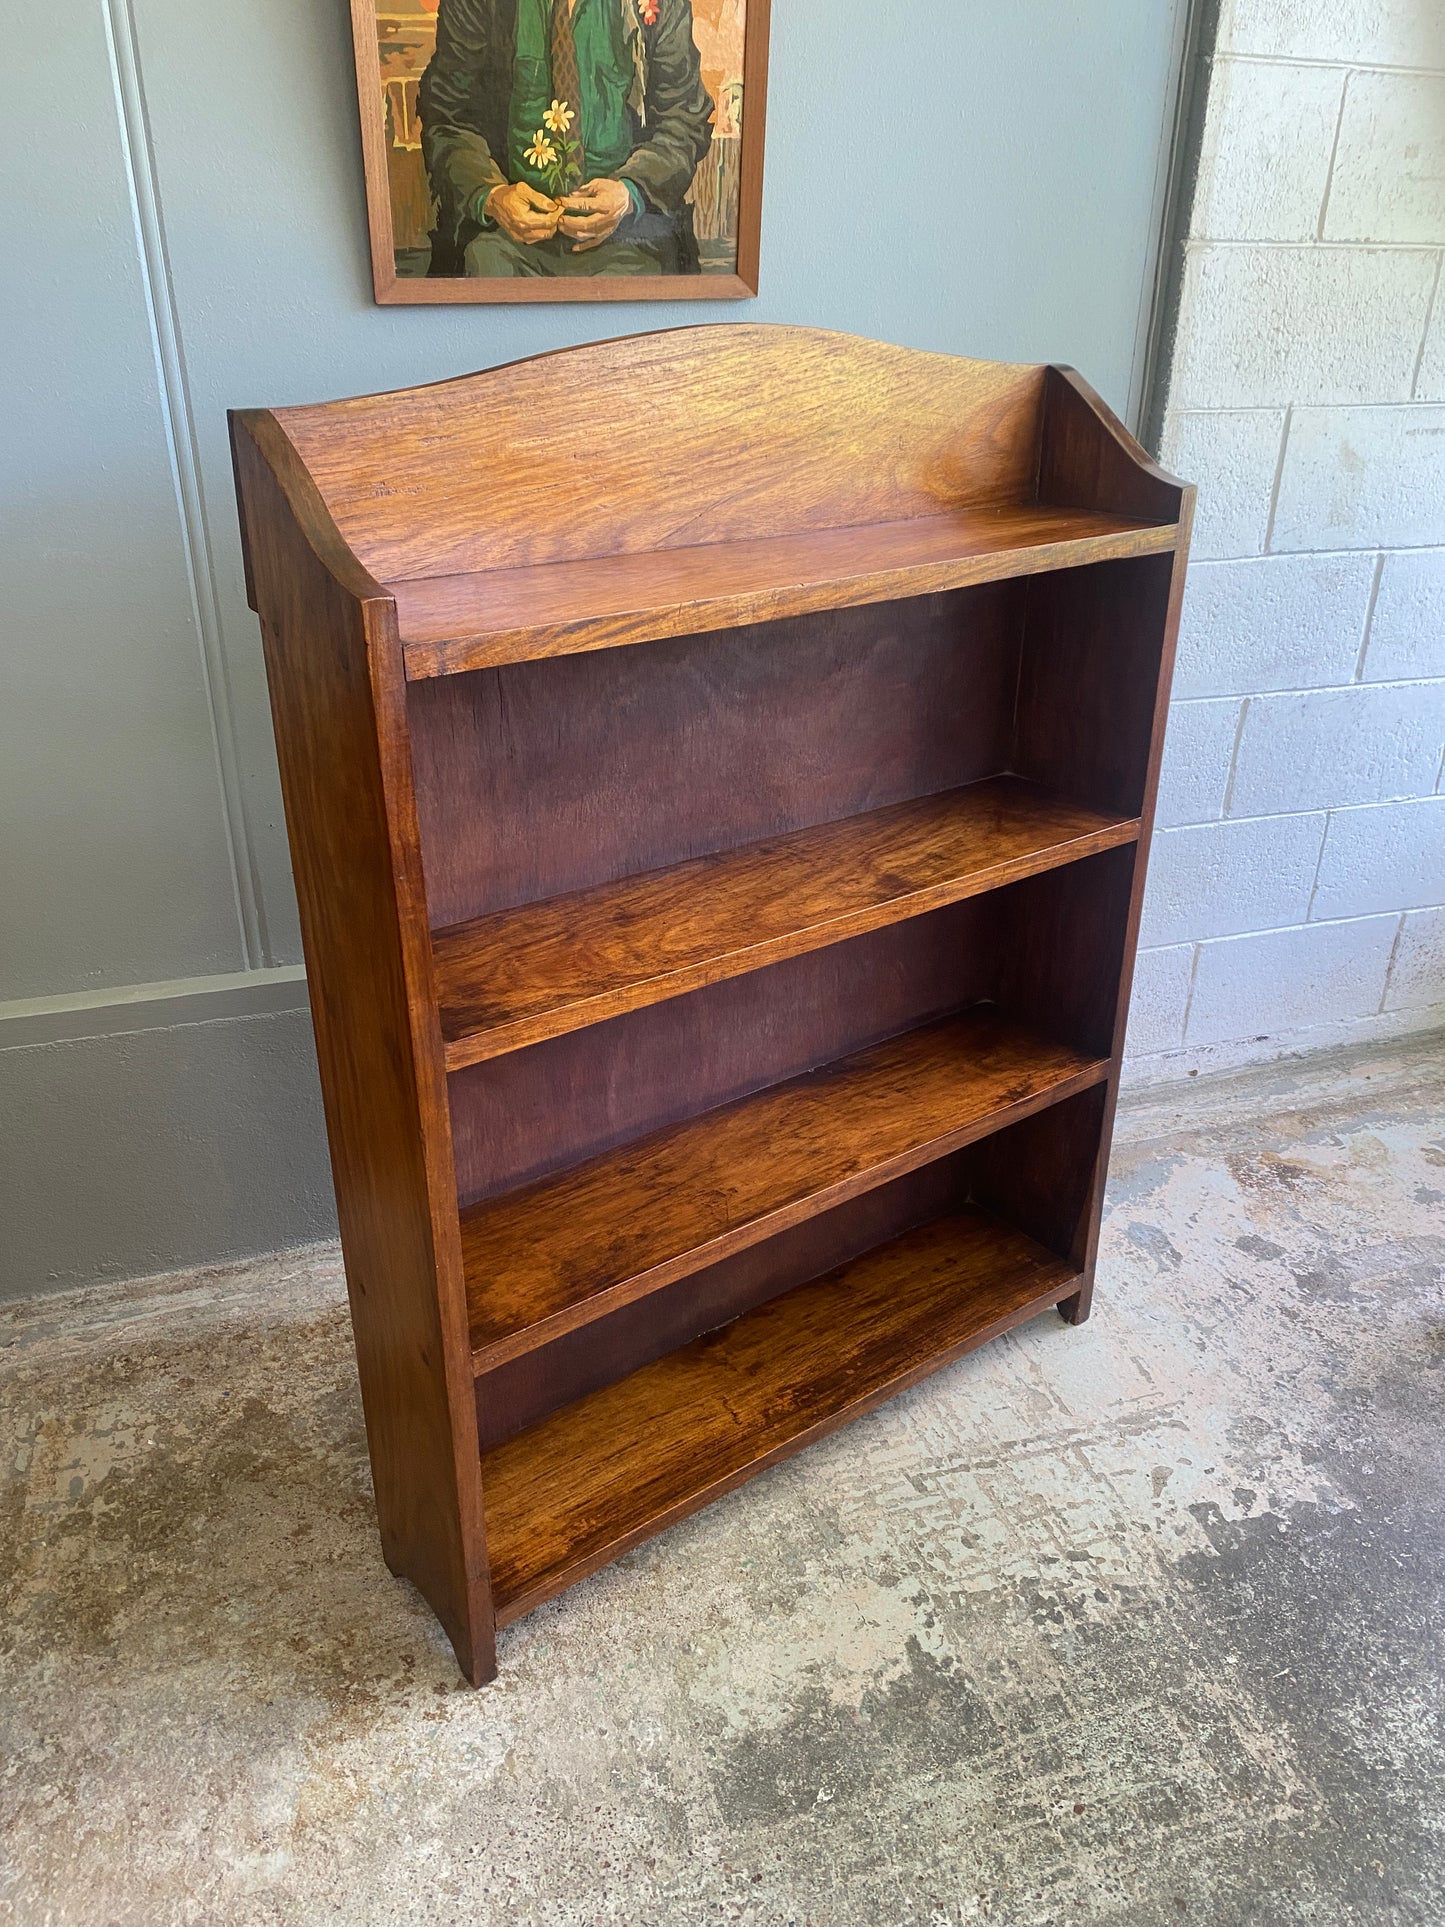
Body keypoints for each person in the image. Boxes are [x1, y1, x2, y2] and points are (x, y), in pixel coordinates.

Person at [418, 0, 716, 278]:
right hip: (501, 239)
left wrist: (630, 191)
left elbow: (684, 118)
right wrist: (492, 196)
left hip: (633, 237)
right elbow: (445, 117)